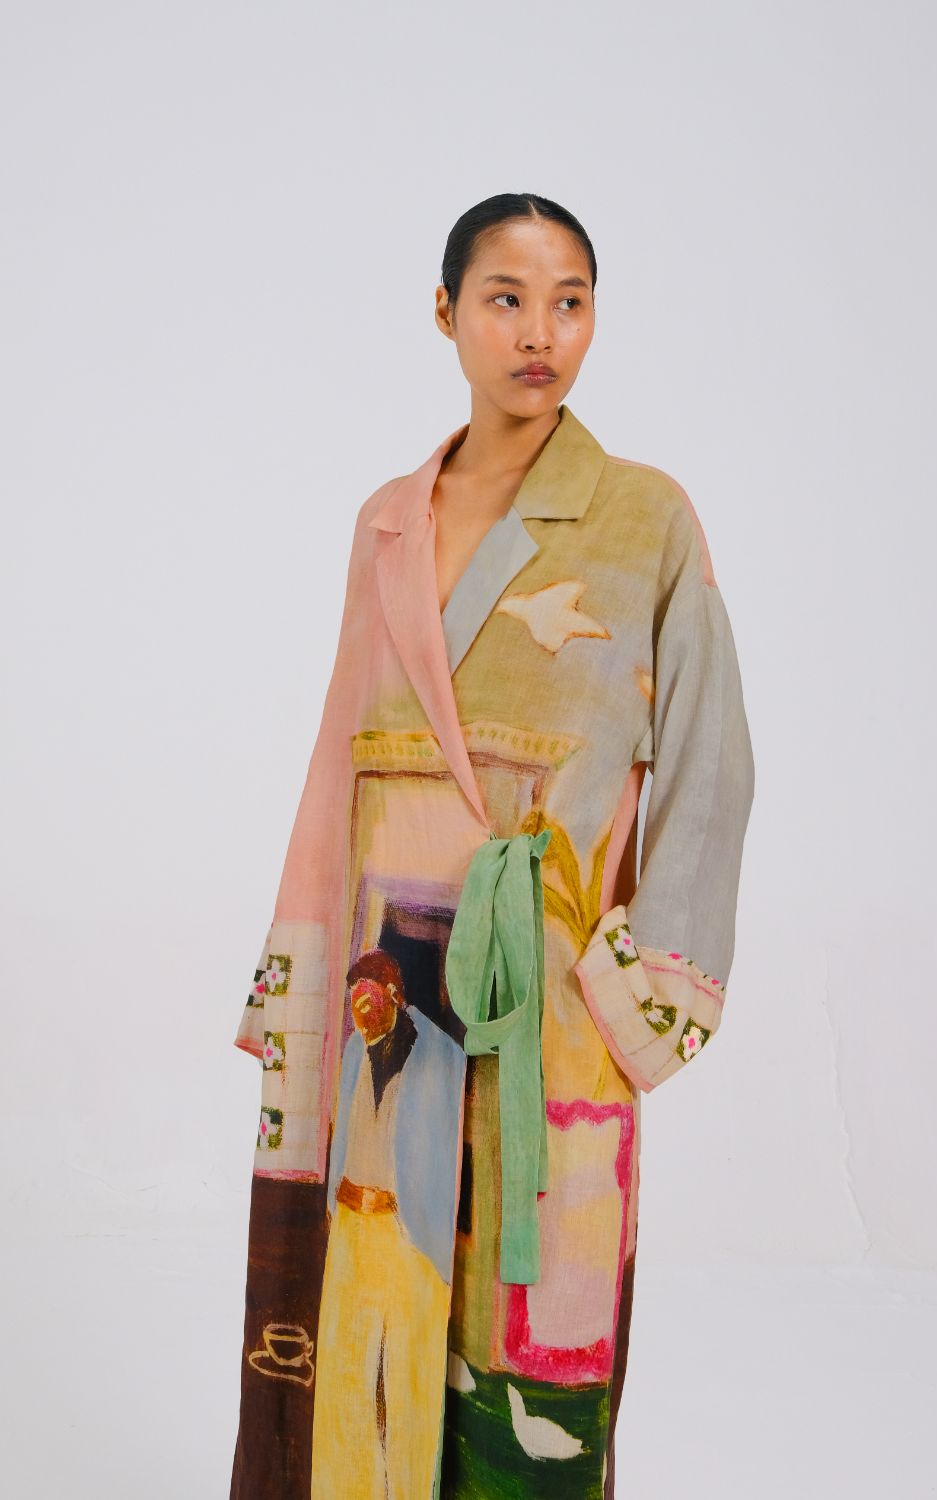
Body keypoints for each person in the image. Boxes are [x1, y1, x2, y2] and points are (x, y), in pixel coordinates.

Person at [230, 191, 756, 1500]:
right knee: (379, 1293)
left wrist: (644, 985)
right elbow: (337, 757)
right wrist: (299, 988)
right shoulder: (387, 521)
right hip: (386, 991)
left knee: (536, 1310)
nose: (539, 333)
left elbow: (711, 762)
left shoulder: (645, 517)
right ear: (446, 312)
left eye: (569, 302)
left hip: (549, 986)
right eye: (506, 299)